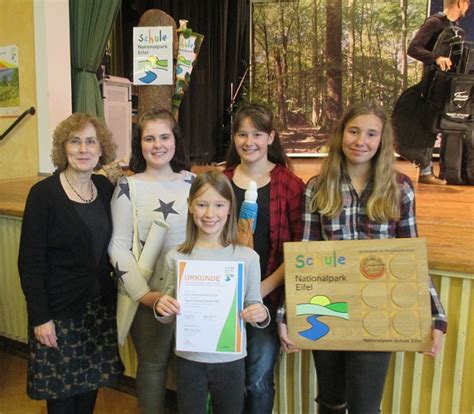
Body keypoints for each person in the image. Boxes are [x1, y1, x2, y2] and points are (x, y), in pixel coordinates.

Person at [278, 102, 448, 414]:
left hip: (378, 311)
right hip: (327, 308)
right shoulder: (318, 187)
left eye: (371, 134)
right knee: (329, 401)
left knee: (365, 407)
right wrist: (287, 313)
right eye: (354, 131)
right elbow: (306, 253)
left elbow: (410, 260)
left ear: (382, 140)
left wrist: (436, 316)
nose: (361, 141)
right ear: (341, 134)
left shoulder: (399, 189)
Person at [18, 113, 123, 414]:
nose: (83, 149)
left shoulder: (104, 189)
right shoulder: (43, 195)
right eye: (74, 141)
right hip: (58, 313)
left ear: (102, 149)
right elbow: (30, 262)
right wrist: (40, 317)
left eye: (91, 142)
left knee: (88, 391)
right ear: (62, 148)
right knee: (62, 400)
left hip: (97, 311)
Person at [154, 171, 270, 414]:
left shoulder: (247, 257)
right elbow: (166, 311)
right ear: (190, 207)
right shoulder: (176, 257)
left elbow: (255, 304)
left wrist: (260, 314)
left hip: (230, 361)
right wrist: (162, 307)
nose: (210, 214)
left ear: (230, 209)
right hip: (189, 360)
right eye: (202, 204)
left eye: (219, 205)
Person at [108, 108, 194, 413]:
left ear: (175, 140)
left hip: (191, 295)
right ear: (139, 143)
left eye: (164, 136)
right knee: (153, 366)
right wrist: (145, 296)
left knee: (192, 369)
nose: (157, 145)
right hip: (147, 295)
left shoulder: (193, 184)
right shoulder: (127, 187)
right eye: (149, 138)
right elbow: (118, 248)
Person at [224, 103, 305, 413]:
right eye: (242, 134)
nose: (249, 141)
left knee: (257, 380)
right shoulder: (223, 181)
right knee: (227, 378)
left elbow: (297, 251)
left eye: (257, 134)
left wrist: (259, 292)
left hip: (266, 302)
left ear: (271, 137)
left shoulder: (290, 186)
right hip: (225, 299)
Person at [407, 0, 470, 185]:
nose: (468, 7)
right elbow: (413, 48)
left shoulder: (454, 27)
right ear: (459, 2)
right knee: (429, 126)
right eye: (467, 3)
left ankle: (448, 169)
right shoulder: (435, 22)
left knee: (444, 124)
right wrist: (435, 58)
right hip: (433, 83)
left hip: (449, 85)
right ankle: (425, 172)